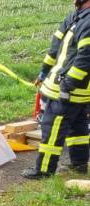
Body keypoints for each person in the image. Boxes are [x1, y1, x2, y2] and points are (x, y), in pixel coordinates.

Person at [23, 0, 90, 178]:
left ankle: (44, 170)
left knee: (52, 129)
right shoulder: (76, 16)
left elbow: (85, 58)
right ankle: (79, 165)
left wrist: (68, 85)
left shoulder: (87, 21)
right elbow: (55, 47)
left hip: (69, 91)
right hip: (72, 90)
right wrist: (44, 71)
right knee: (78, 129)